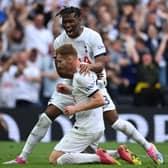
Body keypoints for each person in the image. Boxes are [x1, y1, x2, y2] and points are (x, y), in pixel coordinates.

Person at [4, 6, 163, 165]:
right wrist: (78, 74)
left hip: (92, 83)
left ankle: (149, 147)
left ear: (80, 20)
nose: (67, 25)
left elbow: (101, 63)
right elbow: (60, 70)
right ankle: (22, 158)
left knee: (115, 121)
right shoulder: (59, 40)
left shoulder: (92, 36)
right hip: (71, 83)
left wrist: (89, 69)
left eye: (71, 21)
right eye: (65, 22)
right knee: (45, 118)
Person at [49, 44, 119, 165]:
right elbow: (87, 94)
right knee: (84, 155)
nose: (58, 65)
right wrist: (70, 91)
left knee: (55, 159)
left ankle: (100, 158)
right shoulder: (86, 68)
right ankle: (117, 153)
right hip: (96, 126)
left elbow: (100, 100)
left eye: (60, 61)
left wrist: (74, 108)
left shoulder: (80, 76)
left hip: (86, 127)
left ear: (70, 59)